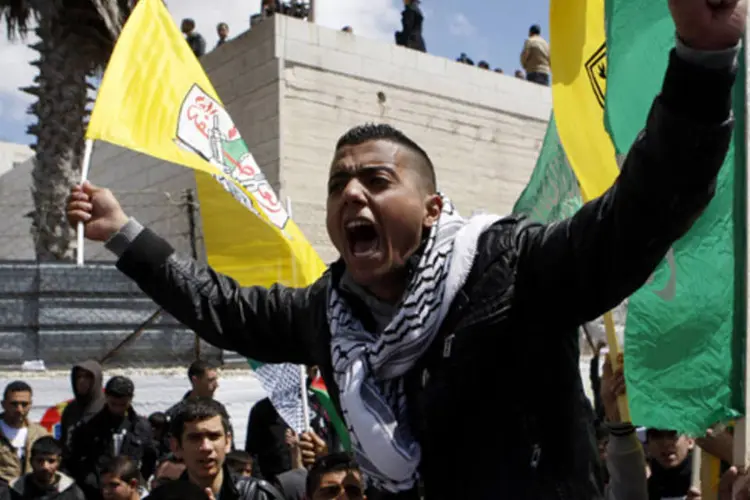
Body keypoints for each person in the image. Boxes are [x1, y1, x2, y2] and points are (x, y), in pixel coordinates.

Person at [67, 0, 746, 496]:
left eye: (375, 180)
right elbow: (220, 306)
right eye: (338, 185)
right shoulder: (324, 312)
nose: (351, 195)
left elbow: (645, 210)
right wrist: (124, 233)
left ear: (431, 208)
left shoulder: (512, 265)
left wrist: (703, 58)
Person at [167, 398, 282, 500]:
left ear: (227, 442)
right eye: (195, 438)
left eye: (214, 437)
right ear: (176, 446)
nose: (206, 447)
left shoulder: (257, 495)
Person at [65, 377, 156, 500]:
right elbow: (76, 460)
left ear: (130, 399)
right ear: (106, 397)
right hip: (97, 493)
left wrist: (135, 481)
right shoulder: (89, 426)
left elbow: (150, 458)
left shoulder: (141, 427)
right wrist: (95, 484)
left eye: (122, 404)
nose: (117, 408)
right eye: (113, 404)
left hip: (129, 490)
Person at [0, 382, 49, 485]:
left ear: (30, 404)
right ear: (3, 404)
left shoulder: (41, 434)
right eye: (14, 404)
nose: (19, 409)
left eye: (24, 404)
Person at [8, 437, 84, 500]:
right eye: (40, 460)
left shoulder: (73, 493)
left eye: (51, 461)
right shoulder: (13, 492)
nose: (45, 467)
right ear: (31, 461)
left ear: (59, 462)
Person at [59, 361, 104, 453]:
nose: (82, 381)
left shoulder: (107, 407)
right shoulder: (70, 409)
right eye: (79, 377)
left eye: (87, 377)